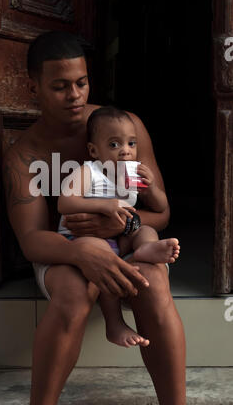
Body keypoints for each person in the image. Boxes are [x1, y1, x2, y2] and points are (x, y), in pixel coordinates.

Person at [3, 31, 186, 405]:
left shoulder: (120, 129)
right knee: (74, 290)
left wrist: (126, 226)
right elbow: (32, 239)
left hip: (126, 243)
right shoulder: (25, 156)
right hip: (65, 250)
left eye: (82, 83)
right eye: (59, 86)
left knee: (149, 279)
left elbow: (161, 211)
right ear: (33, 88)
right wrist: (83, 253)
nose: (75, 96)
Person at [57, 105, 180, 349]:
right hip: (83, 238)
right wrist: (105, 205)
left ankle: (145, 250)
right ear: (94, 150)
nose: (125, 151)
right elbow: (65, 202)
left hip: (118, 235)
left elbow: (160, 206)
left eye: (131, 144)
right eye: (114, 145)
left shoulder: (132, 174)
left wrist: (152, 187)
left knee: (145, 230)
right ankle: (113, 323)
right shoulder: (88, 172)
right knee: (104, 256)